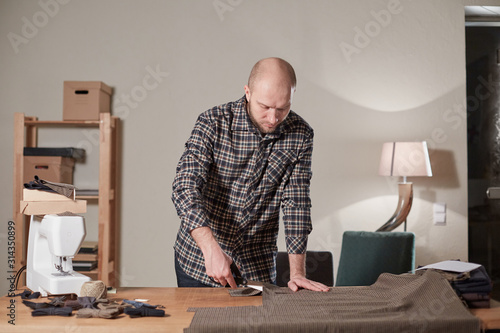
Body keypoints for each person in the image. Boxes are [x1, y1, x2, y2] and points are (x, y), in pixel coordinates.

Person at [172, 57, 329, 292]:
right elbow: (185, 186)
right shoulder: (212, 122)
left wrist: (297, 273)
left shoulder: (301, 134)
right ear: (247, 92)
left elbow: (296, 204)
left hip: (257, 266)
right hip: (200, 262)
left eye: (283, 108)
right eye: (265, 107)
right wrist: (211, 249)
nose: (274, 118)